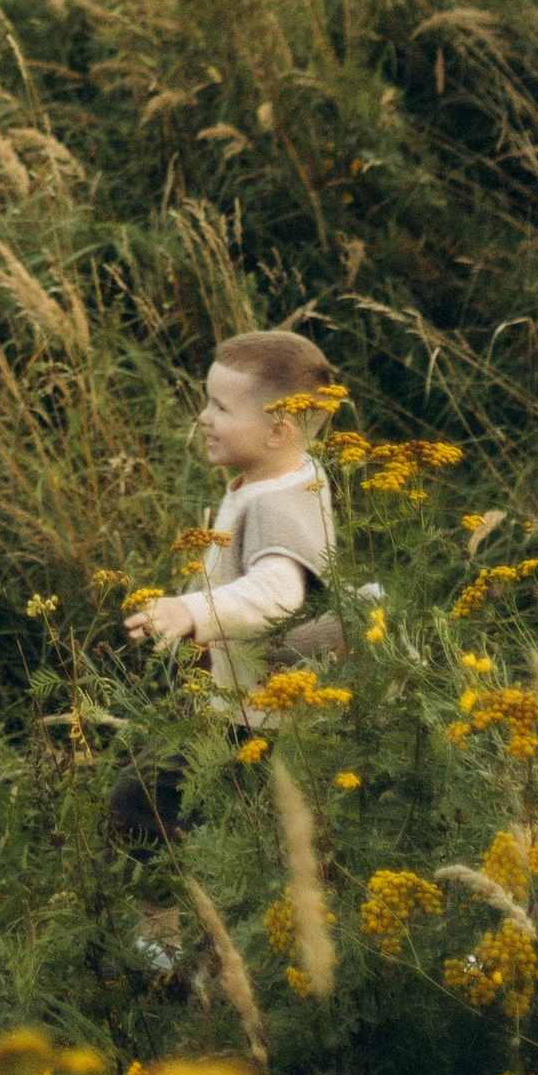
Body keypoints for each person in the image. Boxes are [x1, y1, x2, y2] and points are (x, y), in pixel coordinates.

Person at [107, 326, 339, 852]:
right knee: (224, 823)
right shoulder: (282, 475)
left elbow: (279, 594)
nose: (204, 418)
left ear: (278, 431)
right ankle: (207, 919)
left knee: (143, 807)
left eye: (221, 408)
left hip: (258, 715)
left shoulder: (277, 504)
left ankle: (169, 932)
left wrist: (192, 611)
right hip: (245, 701)